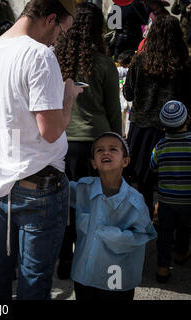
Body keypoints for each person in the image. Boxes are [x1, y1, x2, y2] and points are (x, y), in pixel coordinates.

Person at [0, 0, 83, 299]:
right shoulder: (40, 55)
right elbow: (52, 131)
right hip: (39, 187)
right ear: (51, 19)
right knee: (33, 279)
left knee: (0, 271)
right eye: (62, 31)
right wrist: (68, 98)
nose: (59, 40)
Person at [55, 2, 122, 280]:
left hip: (65, 142)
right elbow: (113, 111)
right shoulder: (104, 63)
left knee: (67, 206)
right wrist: (119, 146)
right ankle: (89, 259)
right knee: (96, 205)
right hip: (98, 143)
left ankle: (66, 260)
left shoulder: (58, 61)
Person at [70, 132, 157, 300]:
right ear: (94, 163)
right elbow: (60, 191)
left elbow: (145, 234)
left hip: (117, 282)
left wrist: (112, 235)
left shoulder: (135, 202)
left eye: (113, 149)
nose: (105, 153)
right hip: (84, 277)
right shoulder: (83, 189)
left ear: (125, 161)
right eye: (100, 150)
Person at [123, 15, 191, 217]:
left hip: (142, 129)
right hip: (174, 130)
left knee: (142, 180)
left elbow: (128, 93)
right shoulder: (184, 65)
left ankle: (145, 217)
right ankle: (170, 223)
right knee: (173, 180)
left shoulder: (140, 61)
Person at [151, 101, 191, 283]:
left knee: (165, 235)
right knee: (184, 229)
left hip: (166, 200)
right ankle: (181, 254)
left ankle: (162, 268)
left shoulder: (160, 146)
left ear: (163, 126)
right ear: (187, 120)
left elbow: (153, 167)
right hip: (188, 201)